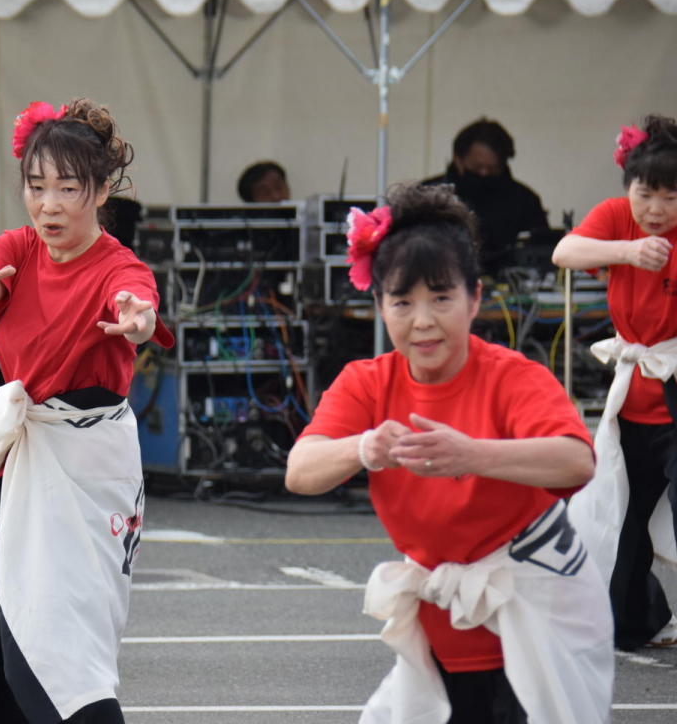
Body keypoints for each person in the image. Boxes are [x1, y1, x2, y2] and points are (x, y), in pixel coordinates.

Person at [286, 184, 612, 724]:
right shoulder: (366, 382)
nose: (423, 321)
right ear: (379, 305)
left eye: (441, 298)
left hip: (537, 608)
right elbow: (301, 471)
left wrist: (472, 455)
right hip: (445, 623)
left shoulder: (511, 375)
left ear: (475, 298)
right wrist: (365, 447)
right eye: (403, 301)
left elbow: (576, 461)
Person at [0, 98, 174, 724]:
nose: (48, 204)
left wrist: (137, 318)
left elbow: (137, 305)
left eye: (67, 188)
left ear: (100, 191)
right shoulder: (18, 246)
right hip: (22, 452)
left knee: (55, 636)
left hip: (83, 459)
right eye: (36, 187)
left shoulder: (118, 266)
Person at [552, 114, 677, 651]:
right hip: (633, 394)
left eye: (671, 198)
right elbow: (564, 253)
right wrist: (625, 253)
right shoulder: (614, 220)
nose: (655, 209)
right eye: (645, 193)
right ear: (628, 188)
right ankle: (632, 620)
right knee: (622, 518)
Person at [424, 118, 551, 275]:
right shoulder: (428, 195)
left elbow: (542, 252)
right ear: (458, 159)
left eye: (492, 169)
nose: (484, 173)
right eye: (477, 167)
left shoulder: (524, 200)